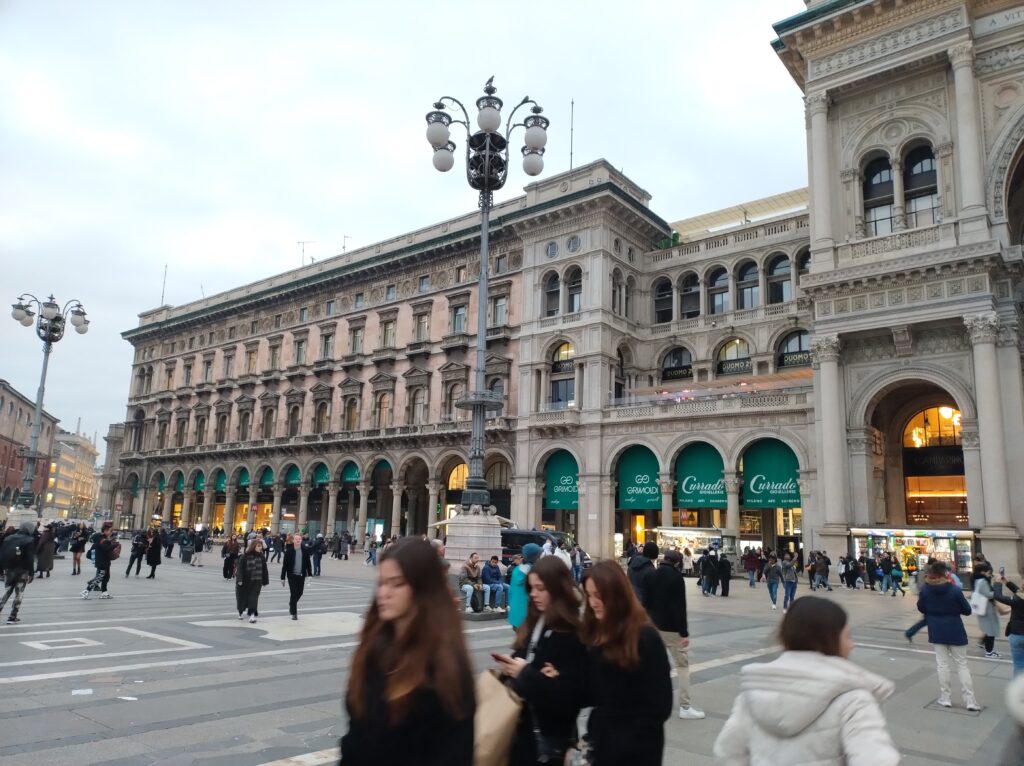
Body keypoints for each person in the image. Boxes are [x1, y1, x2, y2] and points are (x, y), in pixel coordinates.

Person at [713, 597, 900, 764]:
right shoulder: (853, 700)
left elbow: (727, 752)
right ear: (829, 639)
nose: (852, 644)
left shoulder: (753, 695)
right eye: (847, 636)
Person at [340, 538, 474, 765]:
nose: (384, 592)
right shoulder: (374, 648)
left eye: (397, 583)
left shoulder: (444, 667)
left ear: (423, 588)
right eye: (382, 582)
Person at [493, 556, 587, 765]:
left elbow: (572, 697)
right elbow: (530, 667)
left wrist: (526, 673)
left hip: (550, 738)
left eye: (540, 588)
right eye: (532, 588)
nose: (533, 594)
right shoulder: (536, 621)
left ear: (557, 589)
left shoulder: (571, 634)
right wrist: (514, 667)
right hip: (523, 732)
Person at [578, 561, 672, 766]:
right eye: (589, 595)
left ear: (616, 594)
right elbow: (593, 692)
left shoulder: (645, 637)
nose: (593, 602)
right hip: (602, 745)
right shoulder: (599, 635)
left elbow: (660, 706)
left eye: (598, 595)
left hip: (636, 752)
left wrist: (621, 742)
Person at [643, 549, 705, 720]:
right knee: (683, 666)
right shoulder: (676, 578)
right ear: (677, 562)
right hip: (672, 629)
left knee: (654, 665)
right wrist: (684, 633)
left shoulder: (652, 575)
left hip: (654, 627)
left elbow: (646, 602)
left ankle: (649, 700)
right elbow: (679, 607)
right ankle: (685, 706)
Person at [917, 560, 980, 710]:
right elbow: (967, 610)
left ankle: (945, 698)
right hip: (955, 630)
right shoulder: (954, 590)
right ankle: (970, 700)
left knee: (942, 665)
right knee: (962, 665)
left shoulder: (925, 589)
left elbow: (921, 607)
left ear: (932, 573)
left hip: (936, 630)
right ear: (945, 573)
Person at [0, 521, 38, 623]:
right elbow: (30, 558)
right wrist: (31, 573)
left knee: (7, 591)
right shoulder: (30, 540)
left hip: (8, 569)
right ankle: (12, 616)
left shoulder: (8, 538)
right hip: (22, 570)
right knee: (19, 593)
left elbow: (2, 553)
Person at [996, 572, 1024, 675]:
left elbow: (998, 596)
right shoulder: (1018, 598)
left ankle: (1019, 689)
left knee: (1019, 665)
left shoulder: (1016, 600)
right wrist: (1007, 582)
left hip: (1017, 634)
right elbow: (1018, 591)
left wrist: (997, 583)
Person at [236, 538, 270, 622]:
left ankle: (252, 615)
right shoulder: (245, 556)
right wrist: (239, 579)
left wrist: (265, 581)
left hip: (257, 581)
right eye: (258, 546)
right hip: (245, 582)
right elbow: (240, 569)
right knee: (242, 598)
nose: (260, 548)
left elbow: (264, 570)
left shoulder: (262, 557)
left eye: (260, 546)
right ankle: (240, 612)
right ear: (253, 546)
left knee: (254, 598)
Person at [509, 543, 541, 630]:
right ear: (535, 557)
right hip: (529, 616)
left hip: (515, 615)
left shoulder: (516, 570)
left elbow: (510, 592)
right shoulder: (535, 571)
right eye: (539, 555)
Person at [973, 563, 1001, 658]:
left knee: (989, 630)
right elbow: (988, 594)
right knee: (991, 631)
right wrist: (997, 587)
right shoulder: (983, 581)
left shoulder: (977, 580)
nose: (990, 575)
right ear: (983, 572)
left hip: (984, 608)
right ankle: (989, 652)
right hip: (987, 609)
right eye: (989, 573)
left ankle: (985, 646)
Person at [82, 522, 117, 599]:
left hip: (104, 561)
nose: (111, 533)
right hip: (102, 562)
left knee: (106, 577)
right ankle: (86, 591)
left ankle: (104, 593)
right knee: (99, 578)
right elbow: (107, 548)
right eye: (110, 531)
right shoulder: (103, 539)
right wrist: (115, 544)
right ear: (105, 531)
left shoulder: (100, 538)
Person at [281, 532, 311, 620]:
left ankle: (291, 603)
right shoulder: (289, 551)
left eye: (299, 539)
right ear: (293, 540)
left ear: (301, 540)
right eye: (296, 539)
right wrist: (282, 577)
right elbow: (285, 565)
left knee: (300, 592)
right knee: (293, 594)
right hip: (292, 576)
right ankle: (294, 613)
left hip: (301, 576)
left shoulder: (305, 550)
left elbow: (308, 563)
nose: (298, 540)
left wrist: (310, 574)